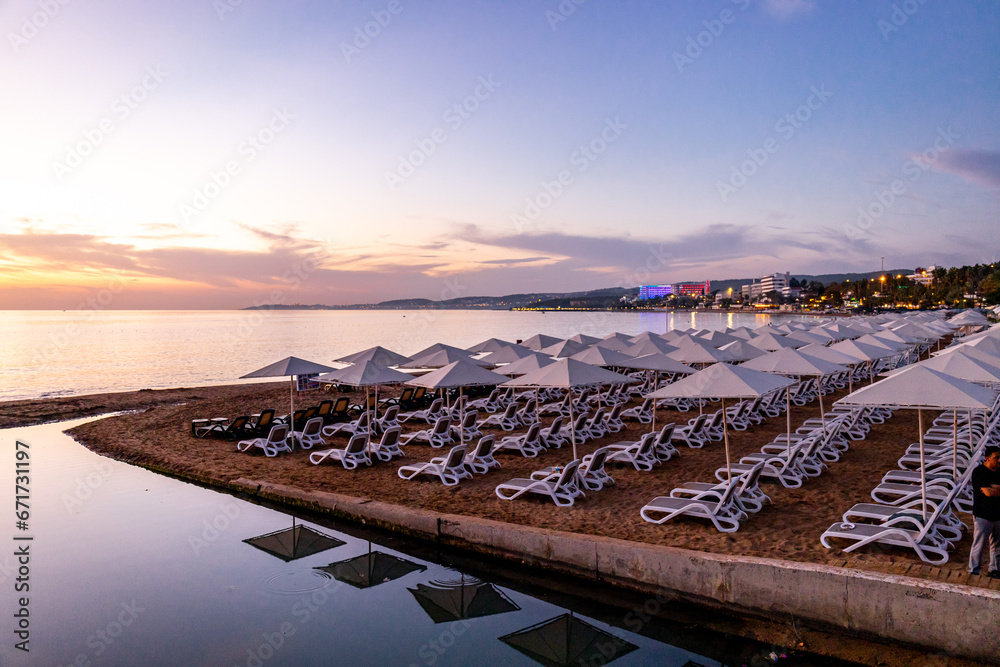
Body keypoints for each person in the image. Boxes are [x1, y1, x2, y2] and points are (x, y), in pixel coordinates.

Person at [969, 446, 1000, 577]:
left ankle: (994, 570)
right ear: (987, 458)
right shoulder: (979, 472)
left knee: (997, 546)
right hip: (982, 514)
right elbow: (987, 492)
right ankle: (974, 570)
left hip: (998, 514)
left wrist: (992, 488)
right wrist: (992, 489)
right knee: (979, 544)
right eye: (996, 457)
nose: (999, 460)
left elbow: (989, 490)